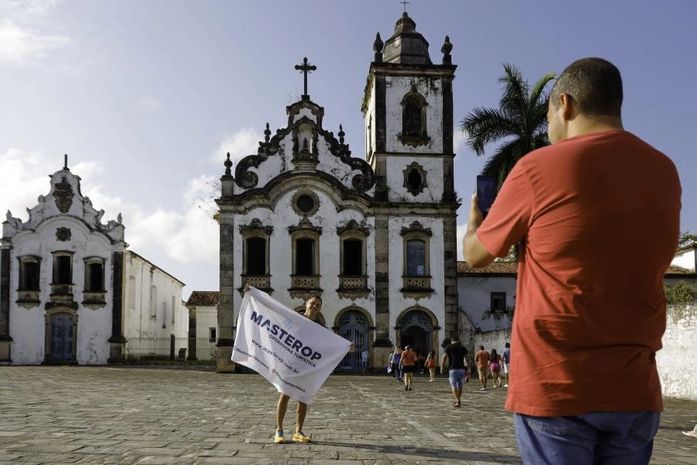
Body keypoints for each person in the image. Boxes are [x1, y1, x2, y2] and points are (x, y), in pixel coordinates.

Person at [463, 57, 681, 464]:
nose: (549, 128)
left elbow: (476, 256)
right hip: (634, 387)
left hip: (556, 381)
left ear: (564, 104)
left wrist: (474, 224)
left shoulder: (538, 167)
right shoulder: (665, 171)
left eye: (548, 116)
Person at [274, 295, 323, 444]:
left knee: (303, 398)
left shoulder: (319, 327)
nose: (315, 306)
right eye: (312, 303)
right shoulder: (294, 320)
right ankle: (279, 430)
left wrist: (346, 346)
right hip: (290, 363)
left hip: (306, 366)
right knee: (285, 395)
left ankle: (298, 431)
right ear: (306, 304)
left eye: (318, 305)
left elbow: (328, 345)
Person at [441, 337, 468, 407]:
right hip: (462, 370)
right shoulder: (463, 348)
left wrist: (442, 367)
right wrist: (468, 368)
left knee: (453, 385)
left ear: (451, 341)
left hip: (453, 369)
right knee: (460, 386)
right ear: (458, 341)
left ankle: (458, 400)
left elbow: (444, 357)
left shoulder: (449, 347)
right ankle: (457, 400)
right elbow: (467, 359)